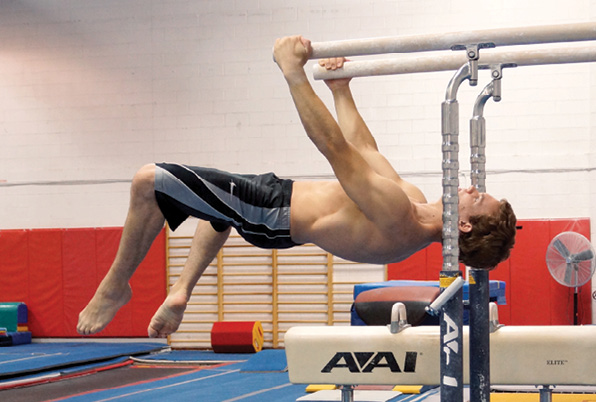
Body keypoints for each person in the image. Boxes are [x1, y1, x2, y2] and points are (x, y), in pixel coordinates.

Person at [77, 36, 516, 338]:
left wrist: (293, 72)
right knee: (216, 212)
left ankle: (116, 285)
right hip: (275, 199)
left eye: (477, 197)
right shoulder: (414, 201)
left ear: (463, 225)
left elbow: (333, 148)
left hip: (273, 214)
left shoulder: (399, 219)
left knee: (149, 182)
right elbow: (363, 148)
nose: (471, 186)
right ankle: (181, 291)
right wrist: (342, 91)